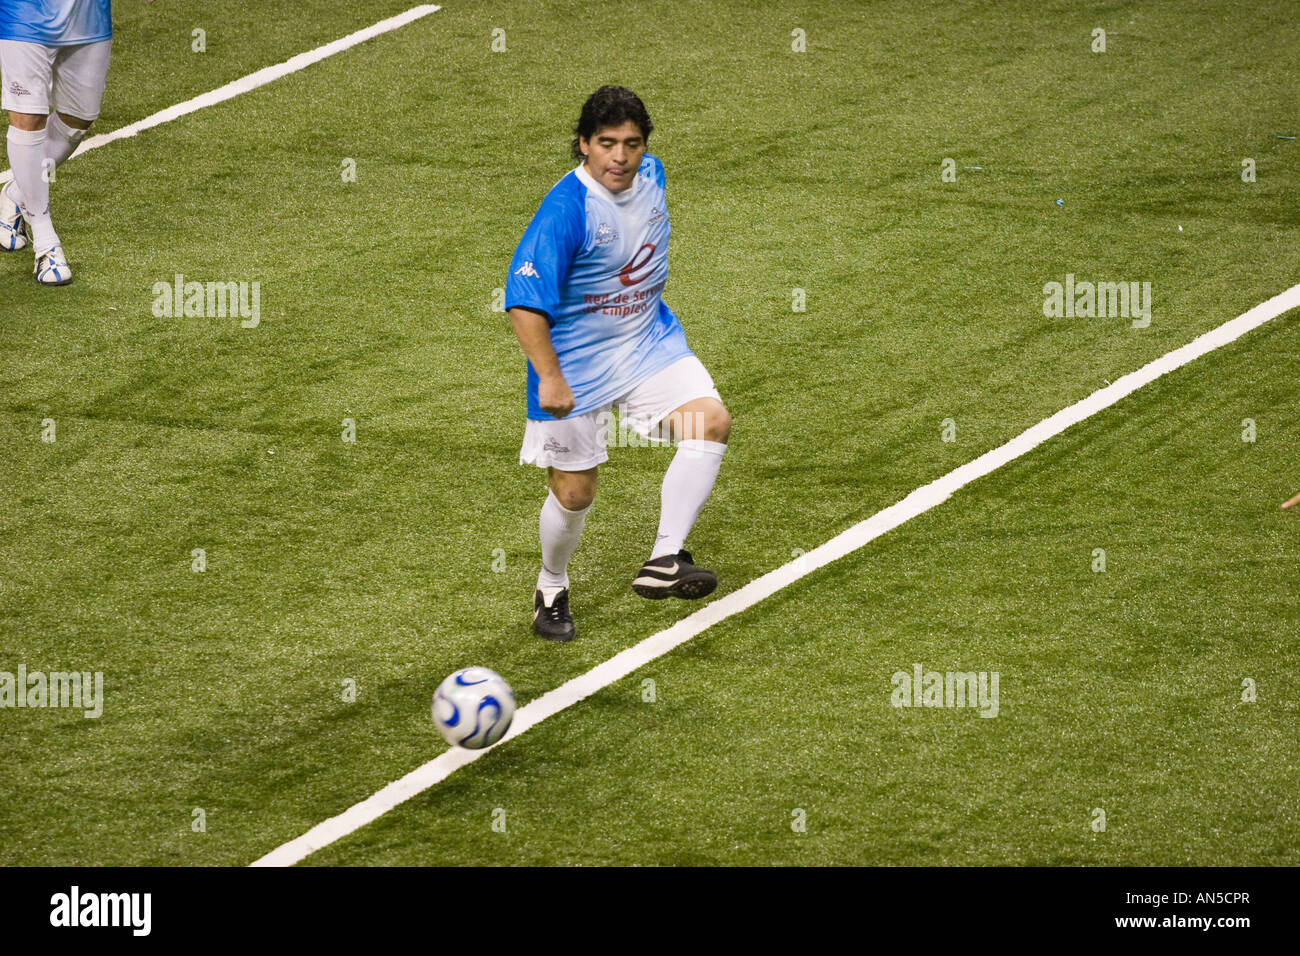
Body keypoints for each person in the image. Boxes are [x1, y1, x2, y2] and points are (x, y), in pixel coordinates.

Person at [506, 85, 732, 642]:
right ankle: (551, 585)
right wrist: (550, 377)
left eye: (631, 144)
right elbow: (523, 304)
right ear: (584, 144)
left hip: (647, 345)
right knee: (575, 493)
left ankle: (664, 559)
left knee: (709, 422)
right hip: (573, 368)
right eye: (606, 143)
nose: (620, 157)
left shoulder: (652, 175)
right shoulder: (566, 211)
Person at [0, 0, 113, 285]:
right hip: (23, 11)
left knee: (79, 118)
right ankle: (46, 244)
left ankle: (17, 193)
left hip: (88, 13)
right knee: (28, 117)